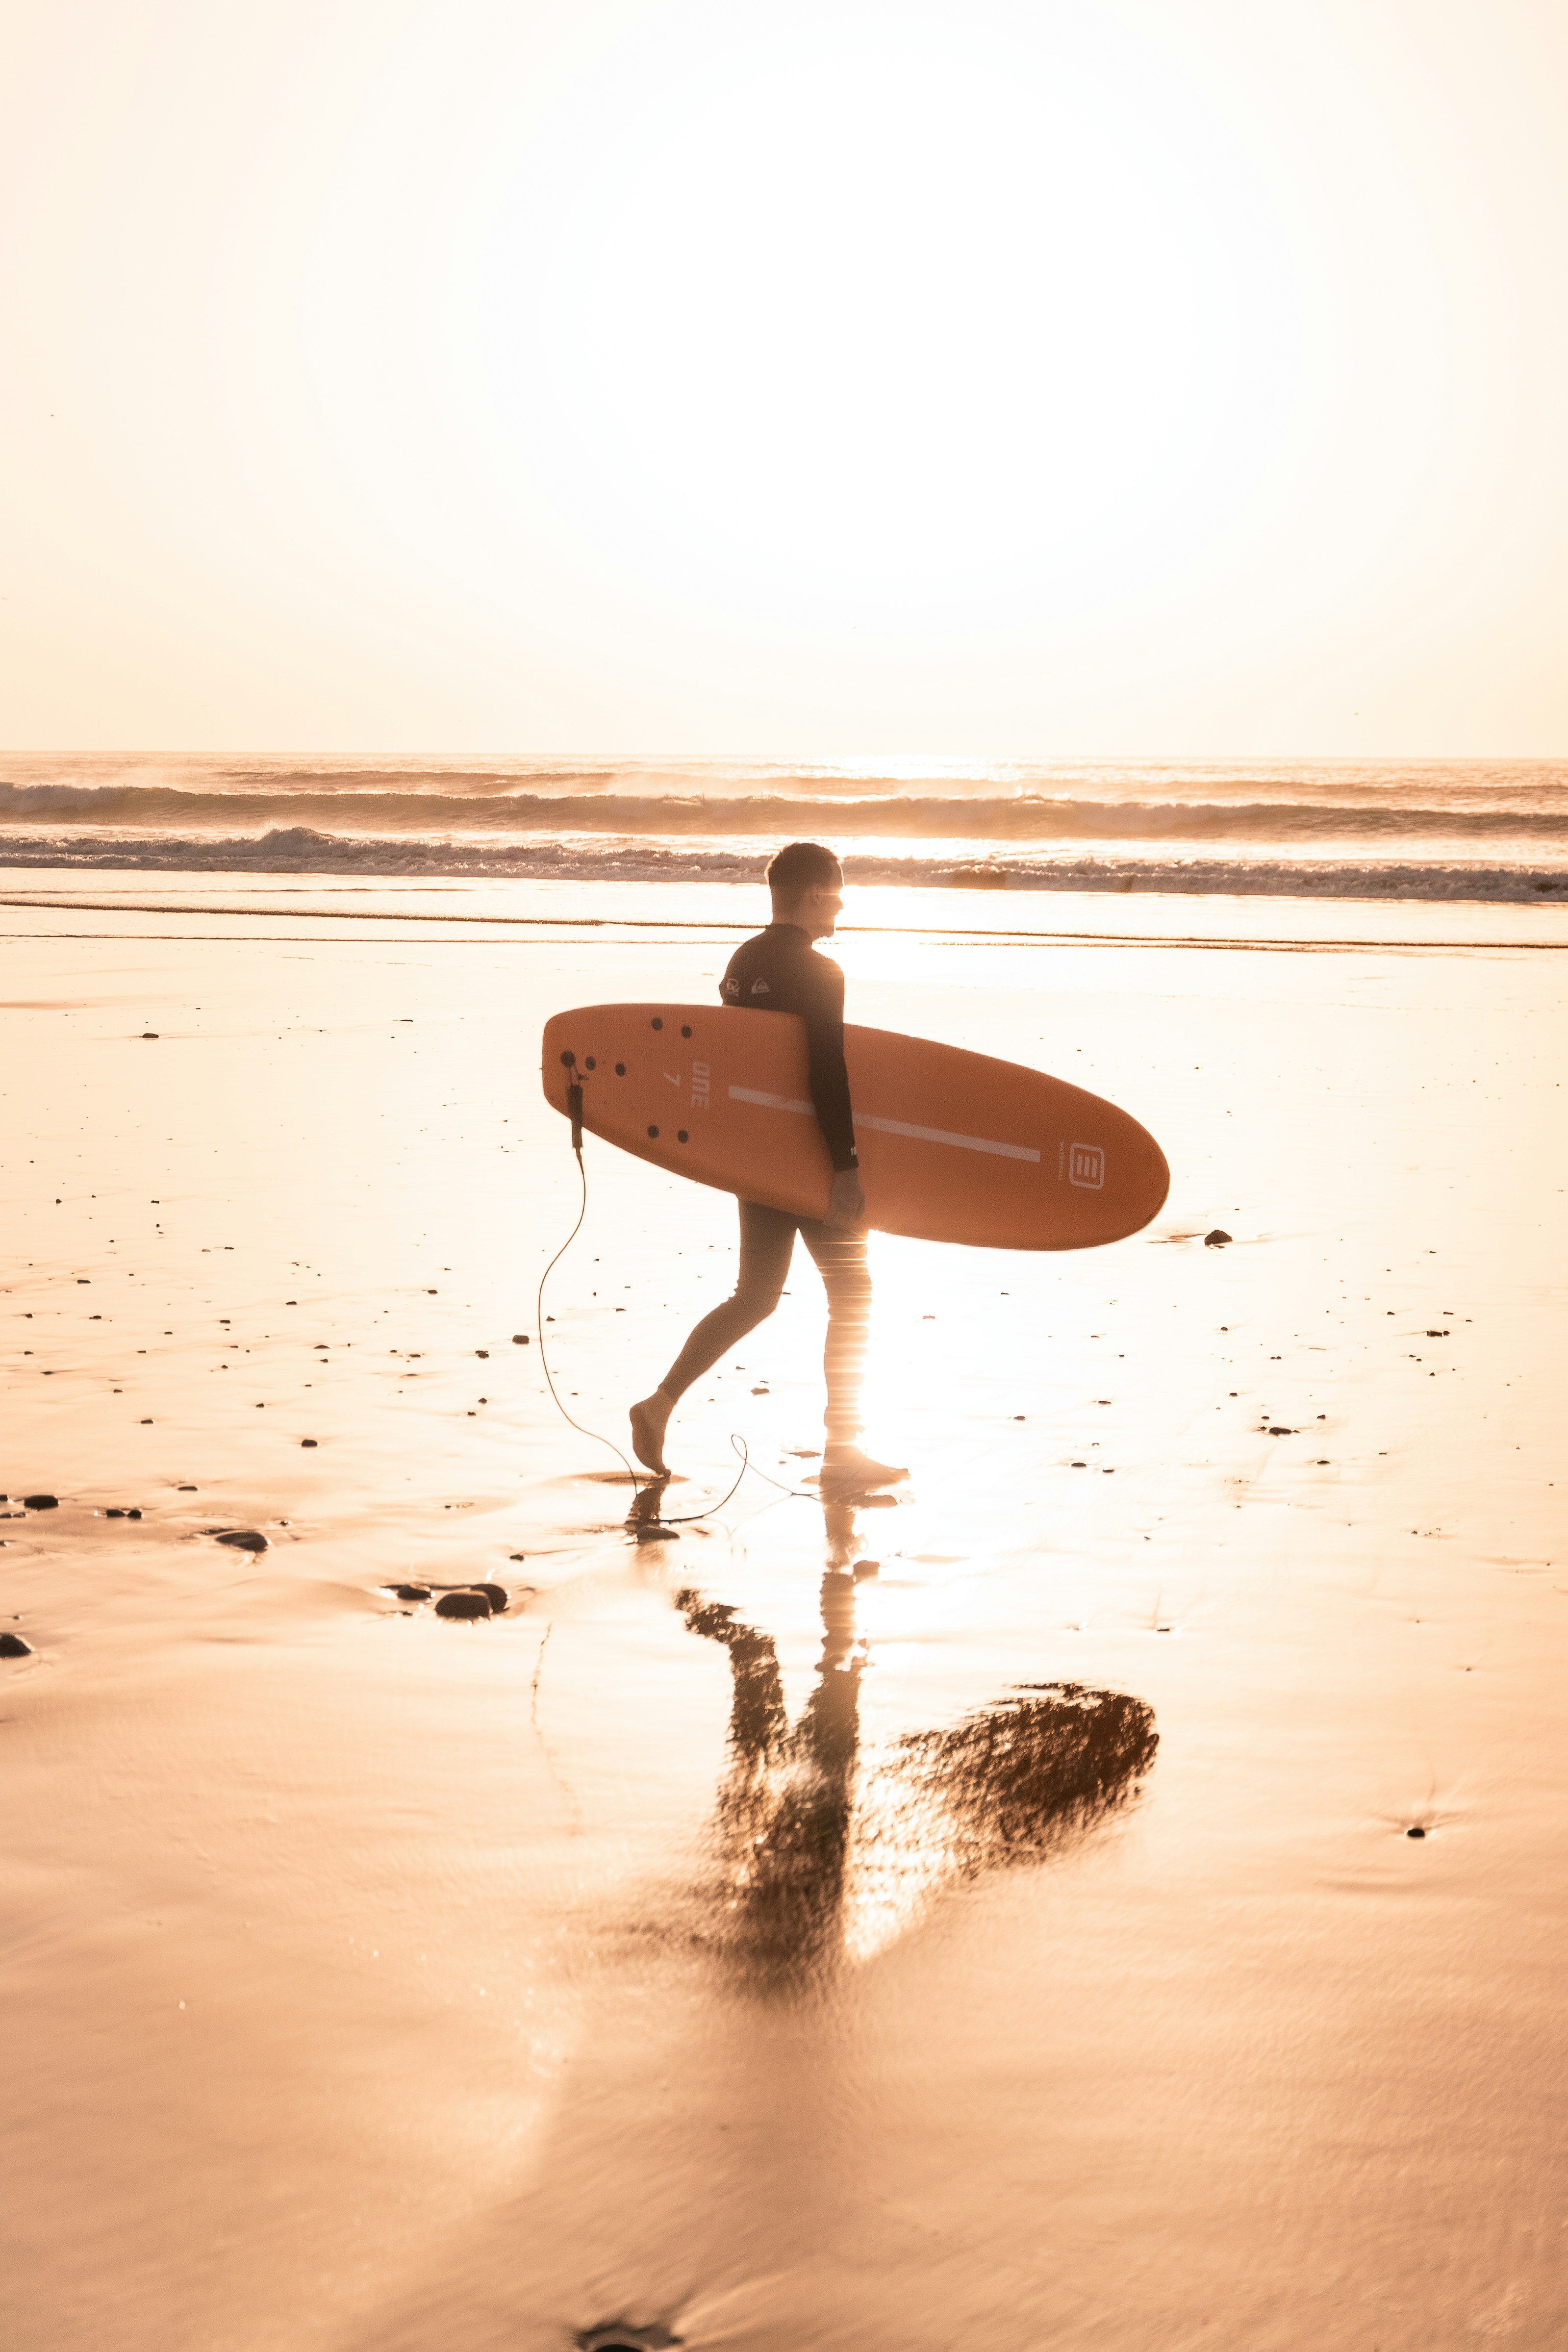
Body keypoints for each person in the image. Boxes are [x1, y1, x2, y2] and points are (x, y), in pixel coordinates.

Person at [629, 840, 907, 1495]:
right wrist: (845, 1167)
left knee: (754, 1296)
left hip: (754, 1160)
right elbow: (824, 1074)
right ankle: (842, 1453)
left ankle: (661, 1401)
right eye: (836, 890)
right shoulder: (821, 973)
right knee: (853, 1294)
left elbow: (736, 1072)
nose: (841, 902)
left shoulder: (741, 963)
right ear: (812, 894)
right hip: (806, 1160)